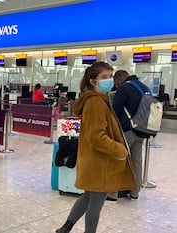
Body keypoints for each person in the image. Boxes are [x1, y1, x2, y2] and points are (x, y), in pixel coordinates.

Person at [55, 62, 137, 233]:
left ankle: (66, 227)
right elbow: (97, 137)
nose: (109, 81)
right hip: (99, 162)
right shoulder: (96, 103)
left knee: (89, 196)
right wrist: (120, 150)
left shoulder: (99, 99)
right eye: (104, 77)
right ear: (93, 81)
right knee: (96, 203)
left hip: (93, 160)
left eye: (110, 76)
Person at [110, 73, 148, 201]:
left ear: (120, 78)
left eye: (116, 82)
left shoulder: (124, 88)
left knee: (118, 158)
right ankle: (135, 192)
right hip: (142, 130)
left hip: (127, 130)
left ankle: (113, 193)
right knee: (137, 160)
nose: (116, 85)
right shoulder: (145, 88)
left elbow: (115, 110)